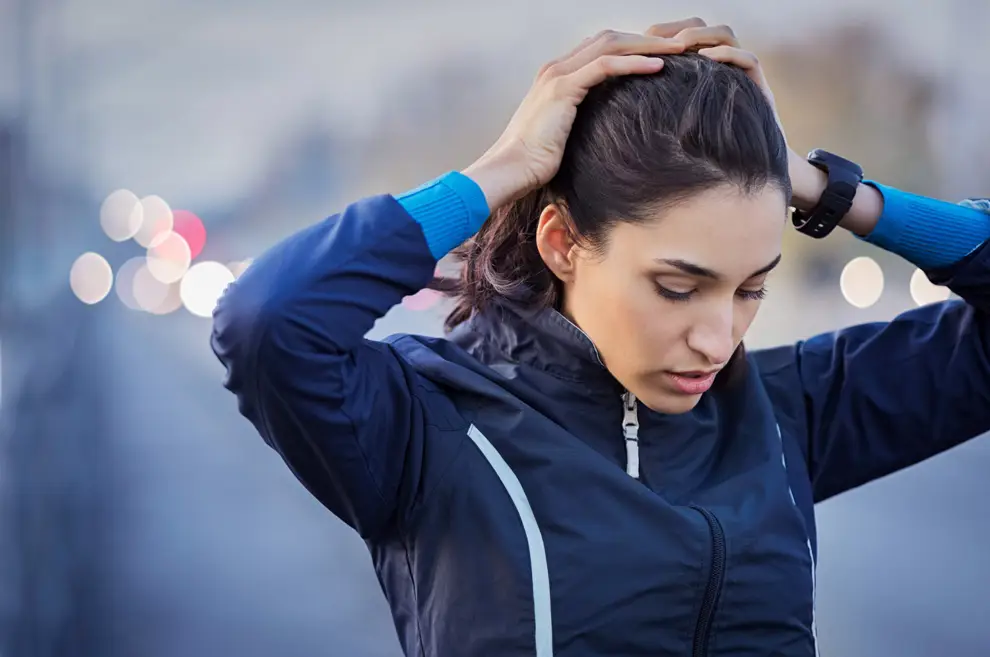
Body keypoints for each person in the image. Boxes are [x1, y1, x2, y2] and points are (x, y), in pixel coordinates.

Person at [211, 18, 990, 657]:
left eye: (750, 288)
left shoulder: (786, 411)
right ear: (561, 242)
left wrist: (825, 188)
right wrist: (501, 170)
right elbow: (269, 319)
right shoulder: (435, 428)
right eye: (678, 287)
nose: (717, 338)